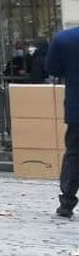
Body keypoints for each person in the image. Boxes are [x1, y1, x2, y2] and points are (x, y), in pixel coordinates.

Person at [49, 25, 79, 218]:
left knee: (75, 153)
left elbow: (52, 68)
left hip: (77, 107)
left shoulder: (64, 39)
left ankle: (67, 201)